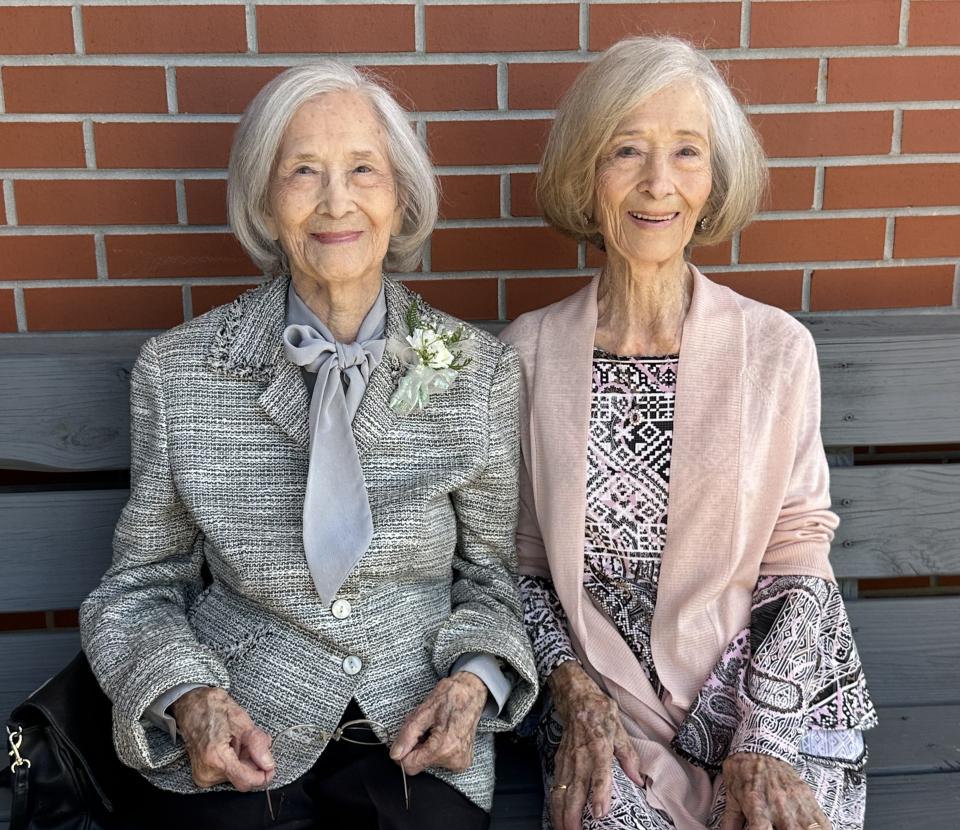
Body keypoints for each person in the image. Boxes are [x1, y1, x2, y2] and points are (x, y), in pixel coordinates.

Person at [80, 62, 536, 830]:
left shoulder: (477, 371)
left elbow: (490, 578)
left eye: (364, 169)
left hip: (413, 723)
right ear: (265, 198)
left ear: (400, 196)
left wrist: (473, 684)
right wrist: (188, 696)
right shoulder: (179, 371)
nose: (337, 201)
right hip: (241, 722)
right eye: (303, 172)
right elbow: (137, 588)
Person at [501, 36, 876, 830]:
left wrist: (765, 739)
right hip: (610, 707)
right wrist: (572, 694)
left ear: (713, 179)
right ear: (585, 173)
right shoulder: (528, 353)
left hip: (768, 694)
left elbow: (799, 551)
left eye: (686, 152)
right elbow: (524, 565)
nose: (657, 183)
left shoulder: (775, 348)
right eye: (626, 150)